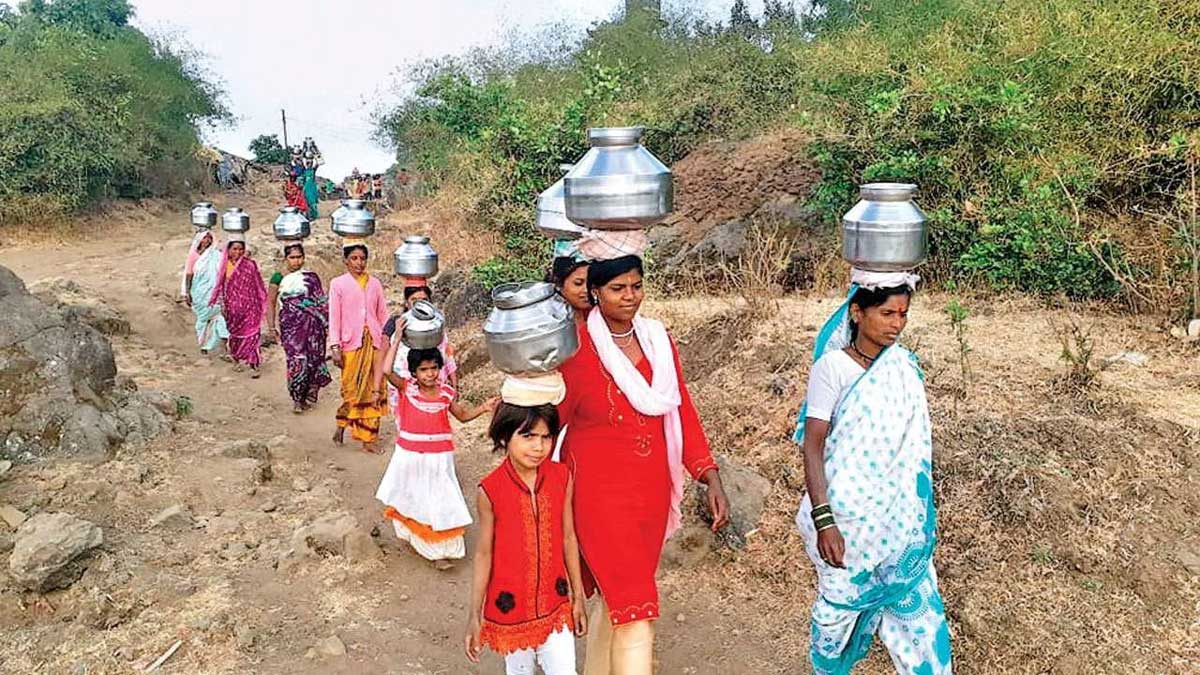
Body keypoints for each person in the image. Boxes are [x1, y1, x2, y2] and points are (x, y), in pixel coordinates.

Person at [557, 254, 729, 674]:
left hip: (650, 492)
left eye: (636, 286)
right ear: (595, 293)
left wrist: (708, 474)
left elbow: (681, 409)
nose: (629, 296)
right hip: (598, 494)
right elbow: (550, 419)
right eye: (618, 288)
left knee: (621, 599)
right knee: (637, 605)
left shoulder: (657, 339)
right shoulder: (576, 348)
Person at [795, 271, 952, 675]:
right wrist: (825, 521)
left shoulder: (902, 367)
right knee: (835, 624)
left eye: (903, 314)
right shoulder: (833, 368)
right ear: (857, 312)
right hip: (847, 526)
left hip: (898, 525)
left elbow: (912, 449)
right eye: (886, 313)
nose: (896, 324)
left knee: (922, 627)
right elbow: (813, 446)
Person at [465, 402, 587, 674]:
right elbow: (484, 553)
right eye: (528, 436)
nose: (538, 447)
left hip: (556, 604)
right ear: (505, 436)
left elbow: (568, 536)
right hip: (511, 610)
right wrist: (474, 614)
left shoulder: (561, 477)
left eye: (546, 437)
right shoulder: (490, 490)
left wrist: (577, 597)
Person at [376, 348, 497, 569]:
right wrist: (398, 337)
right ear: (414, 372)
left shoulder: (446, 393)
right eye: (423, 370)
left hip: (440, 457)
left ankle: (442, 551)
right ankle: (420, 541)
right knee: (416, 499)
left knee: (441, 500)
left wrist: (483, 408)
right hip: (411, 455)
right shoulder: (407, 388)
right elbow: (386, 370)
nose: (430, 374)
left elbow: (462, 416)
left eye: (434, 368)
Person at [328, 241, 390, 452]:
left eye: (362, 258)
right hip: (350, 344)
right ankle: (342, 424)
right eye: (354, 258)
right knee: (352, 390)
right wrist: (335, 346)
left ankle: (369, 439)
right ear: (346, 261)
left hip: (374, 342)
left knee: (375, 389)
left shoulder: (375, 284)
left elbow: (383, 315)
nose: (359, 263)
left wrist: (388, 342)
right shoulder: (338, 284)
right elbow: (334, 317)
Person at [267, 243, 332, 414]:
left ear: (304, 258)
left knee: (314, 359)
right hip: (291, 328)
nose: (296, 261)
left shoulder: (311, 277)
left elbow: (321, 302)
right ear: (286, 258)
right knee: (297, 360)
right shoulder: (277, 278)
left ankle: (310, 393)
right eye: (292, 257)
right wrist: (271, 327)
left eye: (299, 257)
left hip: (313, 327)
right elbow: (271, 303)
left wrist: (326, 322)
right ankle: (297, 398)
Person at [380, 283, 458, 411]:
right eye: (414, 300)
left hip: (434, 386)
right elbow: (390, 368)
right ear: (406, 303)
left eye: (424, 301)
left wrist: (454, 385)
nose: (419, 305)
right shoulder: (400, 329)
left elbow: (447, 355)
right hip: (406, 391)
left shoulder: (436, 327)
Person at [208, 235, 266, 378]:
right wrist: (221, 303)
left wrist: (263, 300)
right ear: (229, 250)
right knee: (235, 335)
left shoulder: (250, 265)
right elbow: (221, 285)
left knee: (253, 334)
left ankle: (253, 364)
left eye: (241, 249)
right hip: (232, 307)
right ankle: (237, 358)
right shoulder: (224, 265)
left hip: (250, 306)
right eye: (235, 249)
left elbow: (258, 284)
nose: (238, 252)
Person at [181, 229, 230, 356]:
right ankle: (203, 344)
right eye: (204, 238)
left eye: (209, 238)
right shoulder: (194, 255)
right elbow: (189, 274)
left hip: (214, 291)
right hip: (198, 291)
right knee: (203, 318)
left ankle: (224, 345)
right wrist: (187, 292)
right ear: (199, 239)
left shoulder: (215, 254)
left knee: (219, 316)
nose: (207, 240)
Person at [548, 251, 591, 323]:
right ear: (559, 284)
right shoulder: (551, 319)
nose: (587, 289)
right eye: (578, 283)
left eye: (591, 282)